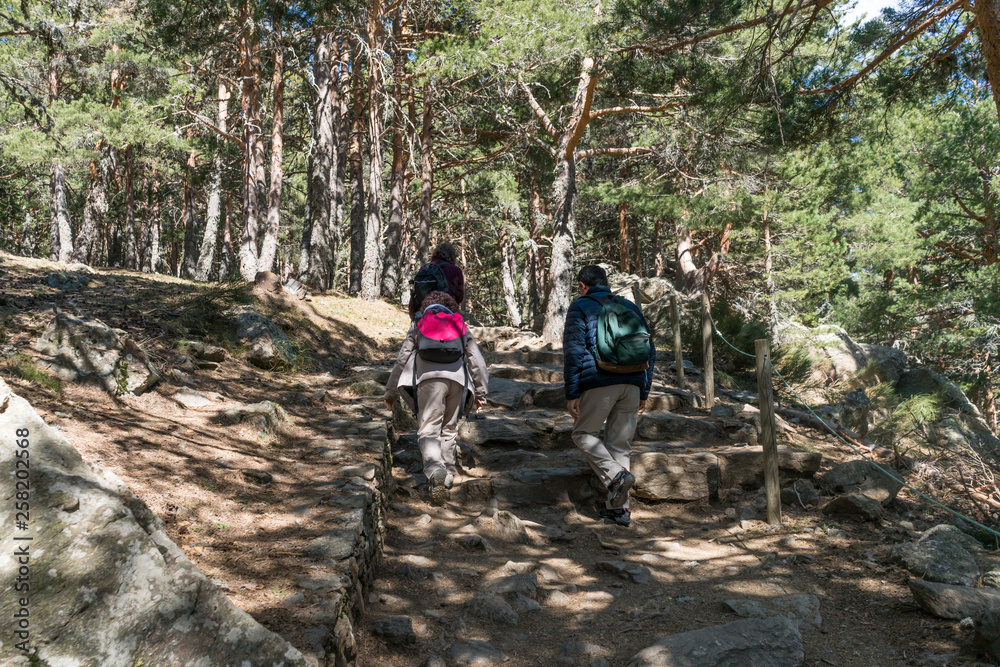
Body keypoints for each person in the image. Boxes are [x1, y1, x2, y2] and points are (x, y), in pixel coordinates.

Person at [563, 265, 655, 526]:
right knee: (619, 445)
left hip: (600, 380)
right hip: (634, 381)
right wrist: (644, 391)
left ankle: (615, 477)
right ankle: (620, 510)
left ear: (582, 285)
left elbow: (574, 351)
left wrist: (572, 392)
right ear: (606, 282)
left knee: (582, 433)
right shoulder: (630, 307)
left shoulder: (580, 306)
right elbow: (650, 350)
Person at [385, 291, 488, 503]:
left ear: (427, 306)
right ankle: (448, 473)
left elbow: (401, 359)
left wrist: (391, 391)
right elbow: (476, 359)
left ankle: (434, 470)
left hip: (429, 381)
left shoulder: (419, 323)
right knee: (449, 429)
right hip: (457, 382)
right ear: (451, 307)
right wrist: (480, 393)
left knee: (429, 429)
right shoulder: (459, 324)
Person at [408, 242, 466, 320]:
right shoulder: (455, 270)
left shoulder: (425, 268)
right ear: (452, 256)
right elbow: (460, 297)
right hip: (446, 315)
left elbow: (415, 294)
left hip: (423, 314)